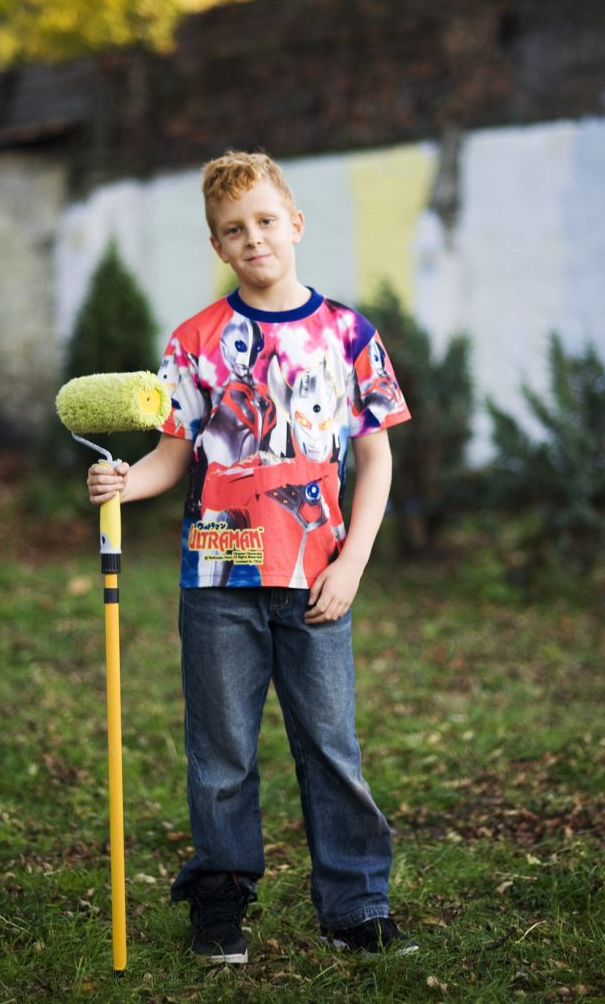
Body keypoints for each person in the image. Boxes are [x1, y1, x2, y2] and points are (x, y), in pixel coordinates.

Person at [87, 150, 416, 964]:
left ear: (295, 224)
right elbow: (175, 455)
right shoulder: (195, 341)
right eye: (234, 230)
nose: (254, 238)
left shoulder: (348, 334)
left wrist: (351, 566)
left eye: (266, 221)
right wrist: (124, 484)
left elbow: (375, 460)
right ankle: (222, 899)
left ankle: (356, 909)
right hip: (219, 578)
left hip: (316, 577)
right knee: (222, 753)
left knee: (331, 747)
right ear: (218, 246)